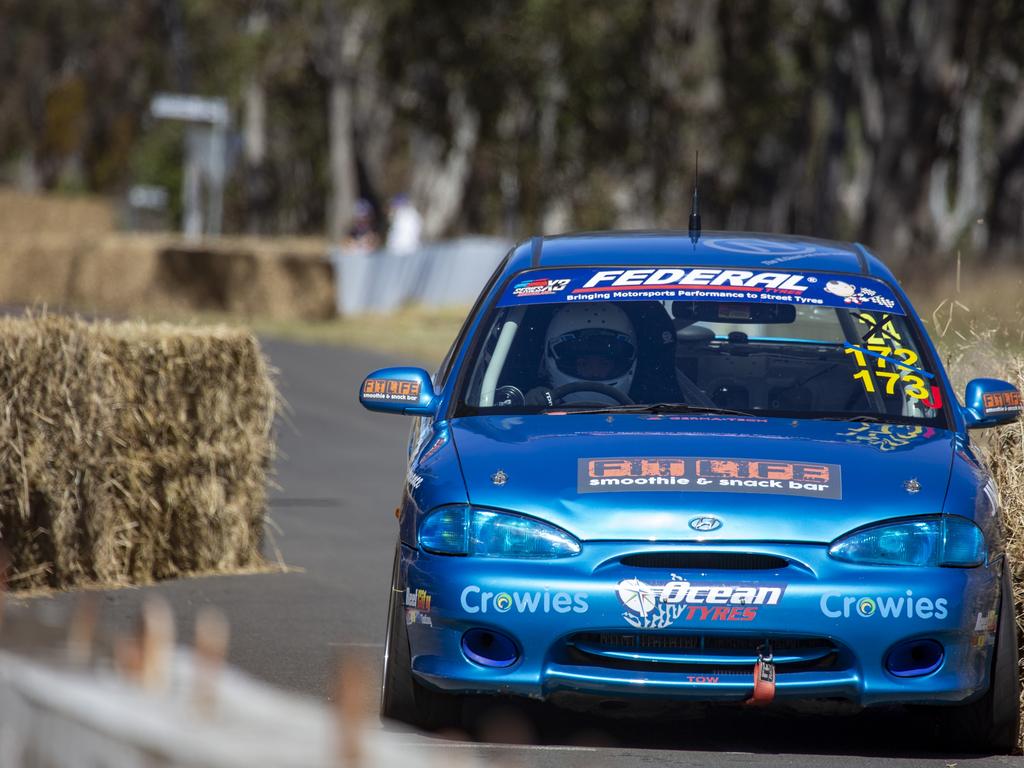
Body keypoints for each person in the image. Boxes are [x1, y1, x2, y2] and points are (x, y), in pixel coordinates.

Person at [533, 303, 638, 405]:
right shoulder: (542, 407)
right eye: (584, 364)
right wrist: (536, 403)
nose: (595, 372)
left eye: (604, 364)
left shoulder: (648, 411)